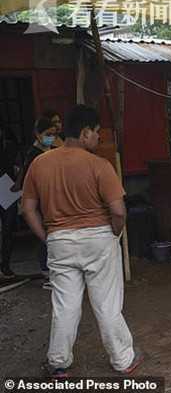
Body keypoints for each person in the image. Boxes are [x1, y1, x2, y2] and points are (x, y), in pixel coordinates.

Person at [21, 104, 143, 377]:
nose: (98, 138)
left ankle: (59, 362)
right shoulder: (100, 165)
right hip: (98, 238)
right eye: (97, 132)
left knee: (65, 305)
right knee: (107, 303)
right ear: (85, 132)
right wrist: (114, 232)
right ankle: (123, 360)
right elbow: (119, 211)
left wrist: (47, 237)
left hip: (59, 240)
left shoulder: (40, 163)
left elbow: (28, 208)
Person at [12, 117, 58, 288]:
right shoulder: (33, 155)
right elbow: (27, 179)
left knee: (51, 234)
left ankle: (51, 271)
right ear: (38, 134)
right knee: (46, 235)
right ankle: (47, 271)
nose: (51, 137)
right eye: (48, 134)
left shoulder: (53, 150)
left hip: (53, 197)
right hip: (40, 199)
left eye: (54, 134)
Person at [0, 129, 19, 278]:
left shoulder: (10, 144)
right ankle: (5, 266)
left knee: (7, 230)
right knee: (6, 230)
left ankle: (5, 265)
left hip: (7, 187)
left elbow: (18, 166)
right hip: (7, 186)